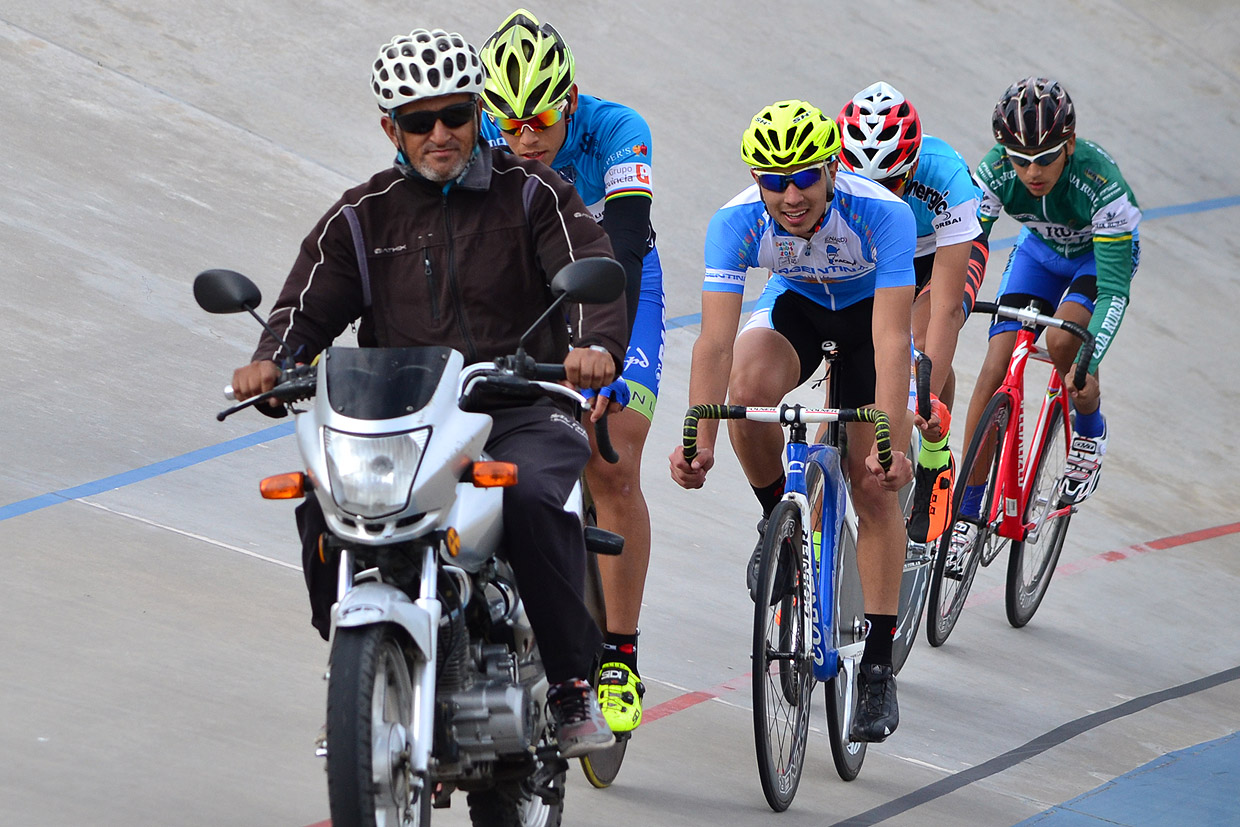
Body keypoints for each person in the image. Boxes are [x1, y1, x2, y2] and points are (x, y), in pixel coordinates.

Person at [228, 27, 629, 758]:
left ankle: (572, 684)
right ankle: (358, 668)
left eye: (455, 115)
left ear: (479, 113)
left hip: (518, 408)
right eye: (419, 120)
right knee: (322, 497)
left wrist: (594, 347)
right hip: (404, 419)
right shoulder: (361, 216)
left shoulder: (534, 192)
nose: (440, 133)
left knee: (537, 496)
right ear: (392, 128)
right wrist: (270, 359)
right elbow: (304, 307)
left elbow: (587, 267)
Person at [668, 100, 915, 742]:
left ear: (832, 167)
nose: (790, 194)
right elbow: (715, 345)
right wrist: (698, 437)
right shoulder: (736, 222)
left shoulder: (882, 214)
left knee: (873, 483)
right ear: (757, 182)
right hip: (797, 308)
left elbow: (891, 341)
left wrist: (891, 441)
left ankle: (879, 669)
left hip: (867, 324)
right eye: (773, 181)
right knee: (746, 392)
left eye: (804, 176)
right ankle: (778, 522)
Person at [479, 9, 665, 734]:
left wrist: (604, 353)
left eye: (545, 117)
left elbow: (620, 243)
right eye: (511, 123)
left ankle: (619, 651)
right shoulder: (482, 133)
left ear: (573, 97)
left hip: (616, 280)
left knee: (612, 456)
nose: (527, 137)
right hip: (528, 287)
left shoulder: (619, 130)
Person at [949, 76, 1140, 563]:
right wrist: (960, 300)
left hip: (1095, 262)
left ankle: (1090, 429)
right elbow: (970, 244)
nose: (1032, 172)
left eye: (1046, 158)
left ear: (1069, 144)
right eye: (1020, 161)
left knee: (1063, 346)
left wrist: (1088, 352)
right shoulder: (994, 172)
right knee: (995, 365)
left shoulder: (1102, 186)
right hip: (1039, 255)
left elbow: (1114, 292)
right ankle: (967, 515)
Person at [836, 81, 988, 543]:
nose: (881, 194)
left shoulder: (947, 178)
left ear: (914, 162)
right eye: (865, 184)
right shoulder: (827, 170)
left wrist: (923, 400)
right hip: (879, 251)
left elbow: (945, 309)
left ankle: (933, 454)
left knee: (921, 349)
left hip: (937, 251)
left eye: (892, 183)